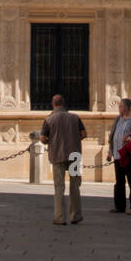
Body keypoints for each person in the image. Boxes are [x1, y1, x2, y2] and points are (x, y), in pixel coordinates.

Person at [40, 94, 86, 226]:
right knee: (75, 186)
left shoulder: (49, 119)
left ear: (53, 104)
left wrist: (52, 141)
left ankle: (60, 217)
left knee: (59, 186)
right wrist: (74, 139)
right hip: (74, 156)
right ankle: (76, 215)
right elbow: (83, 134)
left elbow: (43, 139)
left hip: (58, 155)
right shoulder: (75, 117)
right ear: (64, 103)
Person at [106, 97, 131, 213]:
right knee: (119, 182)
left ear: (127, 108)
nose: (119, 108)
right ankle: (119, 206)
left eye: (121, 106)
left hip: (127, 155)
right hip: (117, 155)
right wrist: (110, 151)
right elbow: (112, 136)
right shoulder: (117, 119)